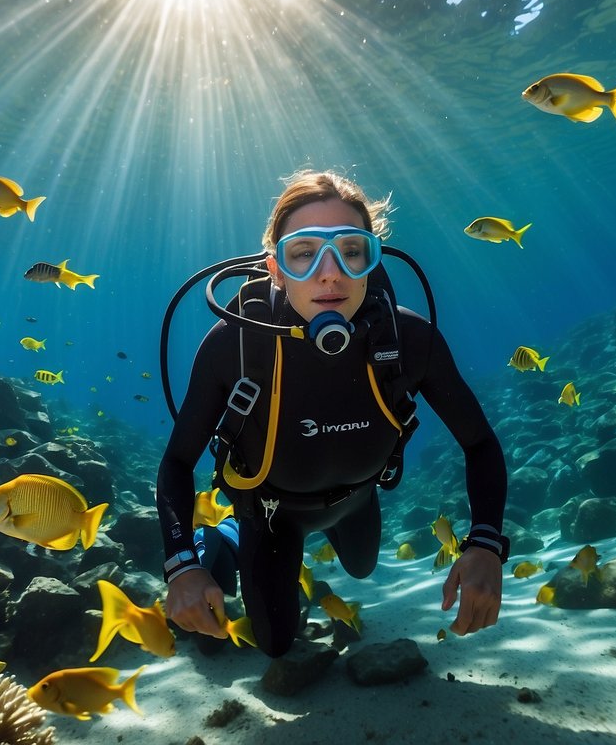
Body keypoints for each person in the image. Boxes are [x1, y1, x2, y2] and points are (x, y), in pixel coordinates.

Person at [155, 170, 508, 658]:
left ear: (370, 259)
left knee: (363, 568)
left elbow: (481, 444)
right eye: (303, 253)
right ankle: (228, 536)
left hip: (359, 498)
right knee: (275, 645)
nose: (329, 273)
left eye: (350, 250)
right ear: (274, 268)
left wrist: (487, 542)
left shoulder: (409, 341)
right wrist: (181, 564)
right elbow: (176, 464)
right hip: (269, 514)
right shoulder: (234, 347)